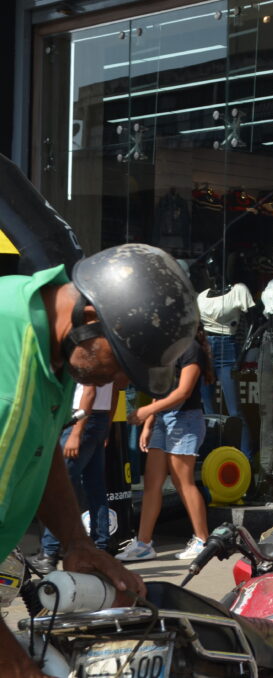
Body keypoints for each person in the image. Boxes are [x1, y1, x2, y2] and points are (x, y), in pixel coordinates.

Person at [1, 243, 195, 678]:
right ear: (89, 319)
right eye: (122, 362)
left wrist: (77, 541)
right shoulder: (8, 387)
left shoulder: (39, 338)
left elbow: (40, 449)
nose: (121, 380)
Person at [117, 326, 215, 562]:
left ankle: (203, 540)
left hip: (186, 419)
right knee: (152, 482)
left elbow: (183, 392)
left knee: (183, 482)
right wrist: (150, 421)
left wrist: (147, 411)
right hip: (163, 419)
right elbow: (160, 389)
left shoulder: (190, 348)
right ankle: (143, 543)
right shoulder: (168, 350)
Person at [30, 383, 115, 573]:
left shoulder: (88, 356)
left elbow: (89, 390)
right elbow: (114, 389)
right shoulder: (107, 360)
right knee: (95, 486)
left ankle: (49, 553)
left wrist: (76, 433)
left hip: (82, 416)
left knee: (61, 485)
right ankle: (101, 545)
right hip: (96, 417)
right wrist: (105, 426)